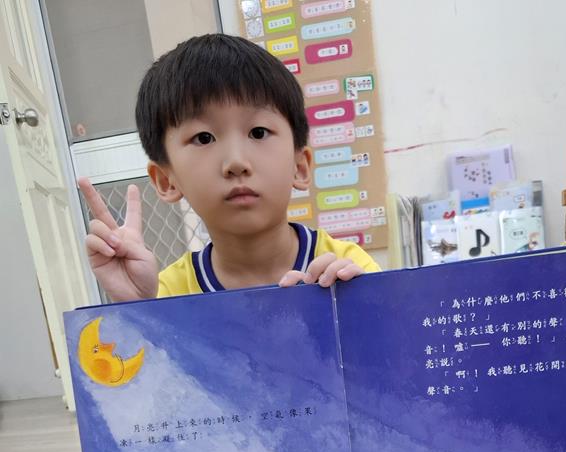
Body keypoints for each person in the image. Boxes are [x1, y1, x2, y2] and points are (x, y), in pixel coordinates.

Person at [78, 34, 379, 302]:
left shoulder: (347, 268)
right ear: (167, 181)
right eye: (203, 138)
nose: (236, 162)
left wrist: (361, 306)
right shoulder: (166, 293)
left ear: (299, 167)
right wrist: (137, 309)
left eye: (258, 132)